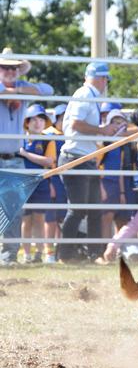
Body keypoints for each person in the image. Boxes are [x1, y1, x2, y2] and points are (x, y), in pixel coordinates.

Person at [57, 62, 121, 263]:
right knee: (77, 209)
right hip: (76, 157)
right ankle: (65, 255)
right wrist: (102, 130)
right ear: (102, 78)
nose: (105, 83)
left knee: (93, 209)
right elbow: (76, 124)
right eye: (105, 79)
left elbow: (78, 125)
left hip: (85, 158)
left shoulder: (89, 96)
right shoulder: (85, 94)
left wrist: (102, 130)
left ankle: (94, 253)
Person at [0, 48, 54, 265]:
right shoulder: (19, 92)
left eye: (14, 67)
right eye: (6, 67)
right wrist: (16, 93)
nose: (10, 71)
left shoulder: (23, 89)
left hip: (14, 158)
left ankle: (9, 255)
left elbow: (47, 89)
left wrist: (21, 91)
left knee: (13, 209)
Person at [19, 104, 56, 263]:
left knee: (39, 219)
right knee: (25, 220)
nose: (37, 122)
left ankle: (39, 254)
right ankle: (26, 254)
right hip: (23, 184)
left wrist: (26, 154)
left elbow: (49, 161)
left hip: (41, 184)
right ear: (27, 122)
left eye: (41, 119)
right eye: (33, 119)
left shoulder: (48, 140)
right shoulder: (18, 138)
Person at [98, 108, 133, 240]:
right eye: (115, 122)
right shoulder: (103, 144)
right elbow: (95, 167)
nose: (119, 126)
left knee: (122, 218)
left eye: (121, 122)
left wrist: (122, 193)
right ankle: (104, 248)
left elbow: (120, 172)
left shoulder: (121, 147)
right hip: (104, 183)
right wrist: (101, 188)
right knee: (106, 217)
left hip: (116, 185)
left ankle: (118, 250)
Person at [43, 103, 67, 263]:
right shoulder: (48, 134)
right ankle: (48, 253)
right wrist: (49, 182)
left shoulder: (71, 134)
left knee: (62, 219)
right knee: (49, 219)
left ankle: (59, 252)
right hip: (52, 180)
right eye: (63, 116)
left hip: (66, 181)